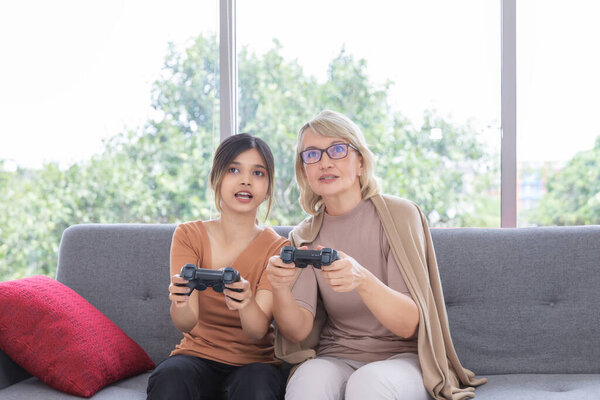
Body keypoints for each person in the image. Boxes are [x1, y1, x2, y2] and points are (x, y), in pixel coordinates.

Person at [266, 110, 486, 400]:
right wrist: (279, 288)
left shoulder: (400, 216)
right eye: (312, 155)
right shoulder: (303, 236)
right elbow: (298, 331)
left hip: (403, 359)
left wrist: (362, 280)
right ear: (304, 170)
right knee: (308, 381)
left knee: (368, 383)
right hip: (336, 356)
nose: (325, 162)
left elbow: (408, 325)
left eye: (337, 150)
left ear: (360, 162)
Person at [147, 133, 288, 400]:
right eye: (234, 169)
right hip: (196, 356)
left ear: (268, 187)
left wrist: (246, 303)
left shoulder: (277, 248)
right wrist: (179, 300)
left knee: (257, 387)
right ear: (216, 178)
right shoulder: (189, 235)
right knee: (170, 379)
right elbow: (186, 323)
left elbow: (257, 332)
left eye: (258, 173)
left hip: (254, 363)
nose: (246, 180)